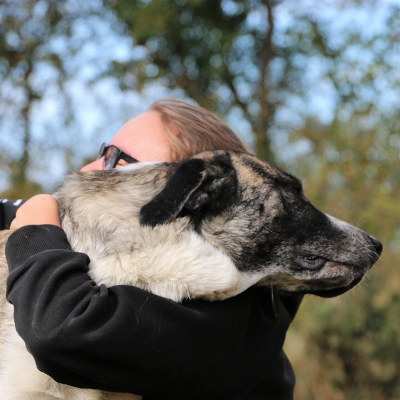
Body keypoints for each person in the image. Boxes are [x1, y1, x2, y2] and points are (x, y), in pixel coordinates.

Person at [3, 99, 302, 399]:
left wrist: (35, 235)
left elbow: (60, 329)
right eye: (103, 153)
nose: (87, 170)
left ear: (187, 202)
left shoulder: (220, 325)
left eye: (117, 162)